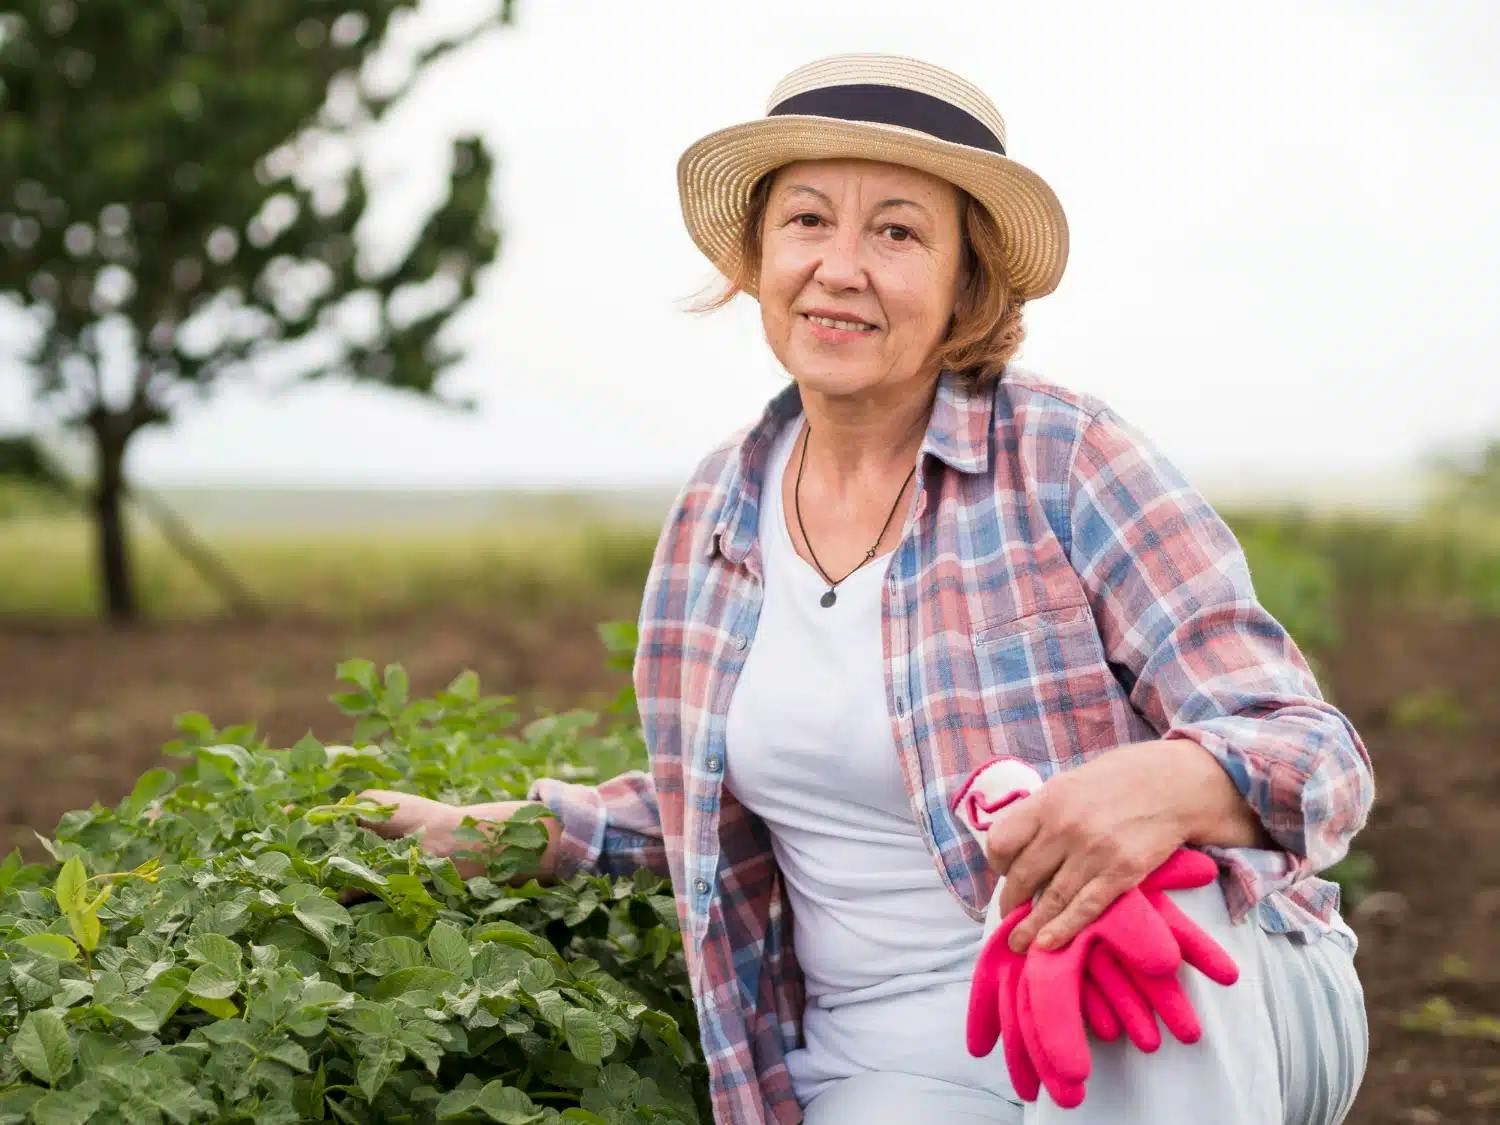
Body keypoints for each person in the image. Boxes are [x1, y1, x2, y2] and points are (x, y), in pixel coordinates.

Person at [358, 52, 1373, 1125]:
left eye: (896, 232)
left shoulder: (1068, 458)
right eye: (806, 222)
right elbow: (714, 803)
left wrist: (1164, 787)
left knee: (1117, 916)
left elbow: (1318, 755)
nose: (840, 267)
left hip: (1186, 994)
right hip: (890, 1062)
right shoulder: (715, 514)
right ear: (760, 257)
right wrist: (508, 831)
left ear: (965, 281)